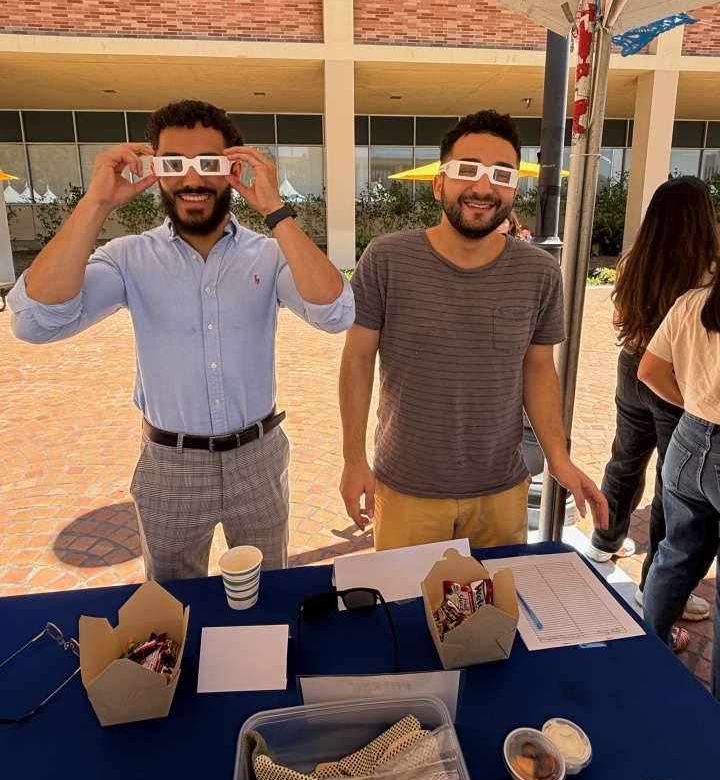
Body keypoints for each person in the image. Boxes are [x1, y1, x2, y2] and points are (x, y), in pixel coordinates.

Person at [9, 100, 354, 579]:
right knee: (170, 605)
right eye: (174, 164)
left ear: (233, 170)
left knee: (267, 592)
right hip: (169, 463)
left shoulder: (270, 254)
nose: (192, 180)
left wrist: (277, 209)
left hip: (258, 458)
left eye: (209, 164)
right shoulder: (129, 257)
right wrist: (97, 203)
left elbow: (336, 313)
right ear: (155, 170)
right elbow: (35, 321)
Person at [339, 110, 607, 549]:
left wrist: (559, 458)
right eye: (467, 171)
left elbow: (538, 369)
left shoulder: (539, 270)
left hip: (501, 490)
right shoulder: (387, 259)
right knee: (405, 609)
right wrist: (353, 459)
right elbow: (357, 357)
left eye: (501, 174)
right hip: (406, 486)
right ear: (439, 183)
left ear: (514, 187)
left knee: (496, 612)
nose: (483, 188)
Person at [585, 177, 716, 633]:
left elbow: (620, 316)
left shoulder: (634, 260)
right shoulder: (706, 270)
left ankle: (603, 541)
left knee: (625, 459)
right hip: (676, 380)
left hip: (632, 367)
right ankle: (654, 586)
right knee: (672, 484)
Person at [638, 261, 720, 698]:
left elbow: (648, 370)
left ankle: (648, 656)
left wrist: (690, 402)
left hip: (689, 438)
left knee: (674, 554)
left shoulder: (693, 301)